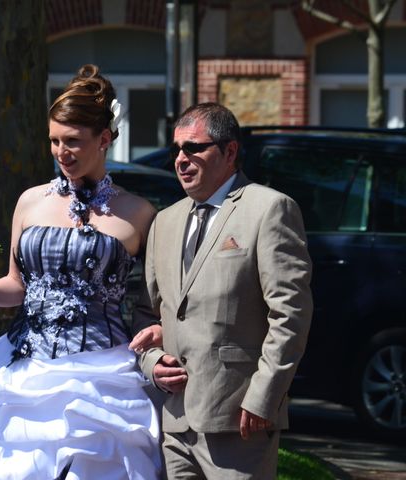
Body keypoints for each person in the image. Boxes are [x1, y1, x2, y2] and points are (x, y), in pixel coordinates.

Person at [0, 64, 163, 480]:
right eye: (54, 141)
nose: (61, 152)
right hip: (28, 366)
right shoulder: (30, 202)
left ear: (105, 139)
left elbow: (156, 299)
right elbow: (17, 286)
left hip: (101, 371)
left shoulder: (139, 213)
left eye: (73, 141)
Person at [134, 103, 313, 479]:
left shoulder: (270, 209)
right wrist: (152, 364)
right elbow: (148, 314)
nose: (181, 159)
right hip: (175, 419)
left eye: (193, 148)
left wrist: (265, 396)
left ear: (230, 151)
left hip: (240, 418)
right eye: (175, 150)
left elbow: (290, 315)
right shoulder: (164, 222)